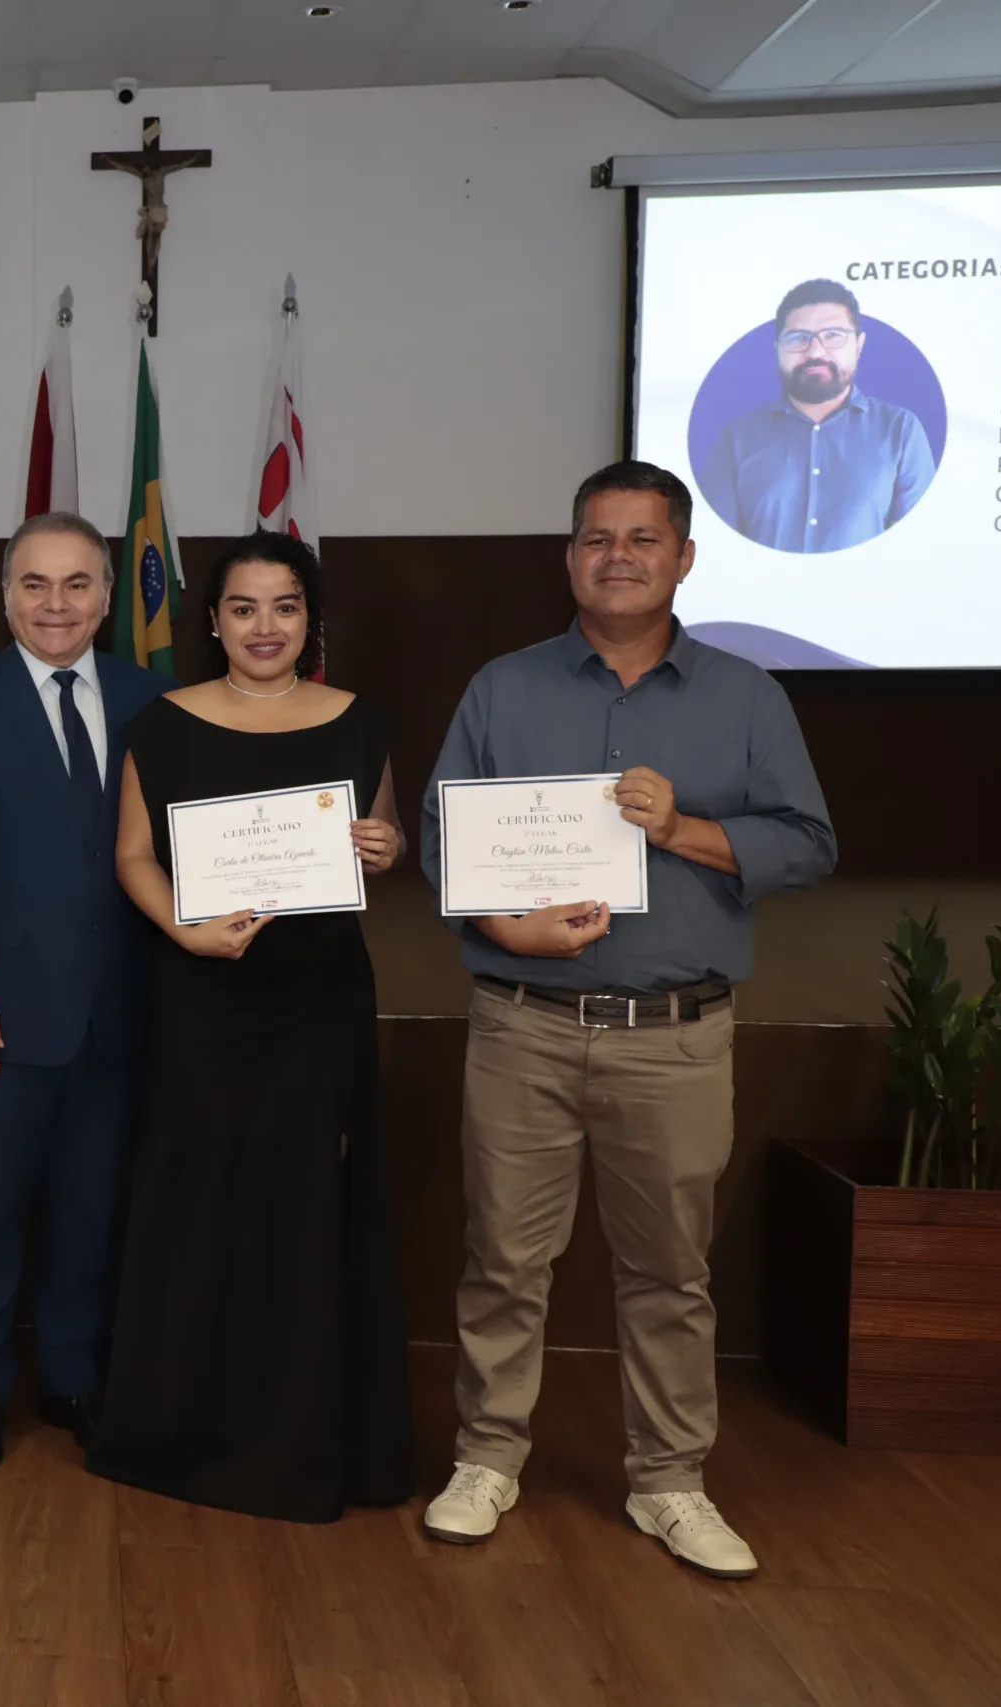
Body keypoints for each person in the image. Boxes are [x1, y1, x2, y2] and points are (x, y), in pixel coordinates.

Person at [419, 459, 837, 1578]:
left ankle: (667, 1482)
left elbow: (808, 843)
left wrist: (686, 828)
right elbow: (440, 842)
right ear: (570, 558)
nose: (618, 556)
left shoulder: (747, 695)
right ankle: (486, 1456)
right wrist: (506, 930)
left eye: (642, 539)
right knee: (502, 1259)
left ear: (682, 557)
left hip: (676, 1037)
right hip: (522, 1025)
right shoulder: (501, 688)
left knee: (668, 1274)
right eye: (597, 538)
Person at [85, 531, 413, 1523]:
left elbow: (380, 845)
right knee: (200, 1204)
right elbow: (134, 858)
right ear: (213, 620)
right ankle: (182, 1433)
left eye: (283, 607)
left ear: (310, 621)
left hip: (317, 1003)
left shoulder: (361, 722)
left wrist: (388, 845)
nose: (263, 627)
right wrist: (184, 927)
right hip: (202, 1001)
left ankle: (305, 1437)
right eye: (242, 608)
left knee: (309, 1207)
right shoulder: (163, 722)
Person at [0, 510, 168, 1472]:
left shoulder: (152, 696)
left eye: (78, 584)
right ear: (5, 594)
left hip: (117, 1012)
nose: (57, 604)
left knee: (92, 1213)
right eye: (36, 584)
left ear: (107, 596)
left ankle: (73, 1378)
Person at [703, 278, 933, 553]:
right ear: (777, 347)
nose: (815, 351)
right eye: (798, 337)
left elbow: (919, 547)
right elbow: (717, 550)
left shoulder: (901, 431)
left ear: (859, 345)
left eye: (833, 335)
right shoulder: (735, 439)